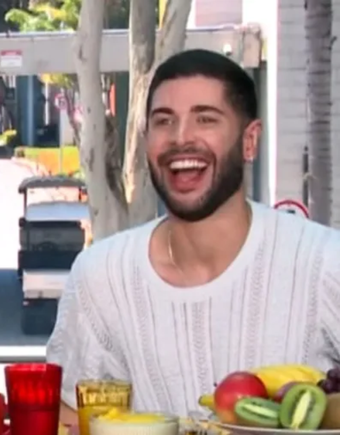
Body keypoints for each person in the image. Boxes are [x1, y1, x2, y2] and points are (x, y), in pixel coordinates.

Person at [46, 49, 340, 423]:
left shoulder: (324, 263)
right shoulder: (102, 276)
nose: (181, 138)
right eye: (164, 121)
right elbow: (69, 418)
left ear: (250, 141)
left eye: (205, 119)